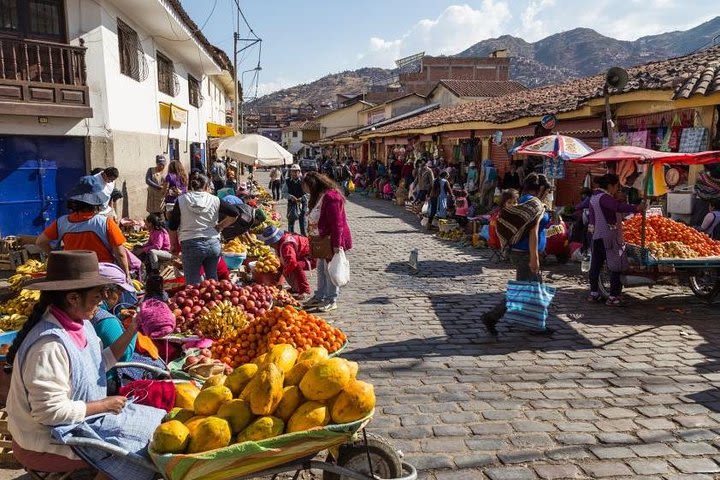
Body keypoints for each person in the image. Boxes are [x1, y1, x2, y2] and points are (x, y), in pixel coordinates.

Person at [5, 251, 165, 480]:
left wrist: (133, 328)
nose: (102, 299)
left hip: (77, 424)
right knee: (140, 452)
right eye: (97, 293)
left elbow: (100, 363)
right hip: (45, 440)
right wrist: (103, 405)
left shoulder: (81, 324)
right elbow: (49, 412)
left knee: (156, 426)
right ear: (72, 298)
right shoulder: (48, 345)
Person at [481, 173, 554, 337]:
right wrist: (534, 258)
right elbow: (533, 233)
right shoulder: (534, 203)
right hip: (525, 254)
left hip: (522, 252)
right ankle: (491, 317)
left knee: (536, 290)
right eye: (547, 191)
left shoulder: (522, 201)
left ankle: (537, 325)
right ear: (541, 188)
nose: (547, 194)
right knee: (522, 291)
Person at [37, 176, 130, 280]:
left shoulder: (61, 223)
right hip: (101, 275)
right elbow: (120, 254)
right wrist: (127, 275)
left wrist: (57, 257)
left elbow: (40, 242)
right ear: (97, 202)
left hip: (73, 274)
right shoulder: (106, 223)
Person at [167, 173, 238, 285]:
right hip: (212, 244)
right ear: (206, 186)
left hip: (190, 245)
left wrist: (174, 245)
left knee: (193, 285)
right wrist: (221, 226)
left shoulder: (181, 200)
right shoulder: (215, 199)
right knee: (212, 282)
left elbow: (172, 226)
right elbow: (235, 213)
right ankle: (214, 301)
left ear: (191, 186)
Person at [587, 174, 645, 306]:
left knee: (595, 265)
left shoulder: (594, 197)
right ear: (611, 186)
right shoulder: (604, 197)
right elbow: (617, 207)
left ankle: (594, 293)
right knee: (615, 265)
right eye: (617, 187)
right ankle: (613, 296)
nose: (617, 190)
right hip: (609, 237)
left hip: (596, 236)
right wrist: (636, 208)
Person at [302, 172, 352, 312]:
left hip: (331, 240)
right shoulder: (320, 196)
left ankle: (331, 299)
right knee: (320, 269)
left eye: (306, 186)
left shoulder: (331, 197)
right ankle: (320, 296)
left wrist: (337, 245)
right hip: (322, 240)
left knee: (329, 270)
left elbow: (337, 224)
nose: (305, 189)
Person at [259, 226, 315, 299]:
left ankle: (305, 290)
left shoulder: (286, 246)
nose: (271, 246)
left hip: (313, 256)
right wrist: (279, 273)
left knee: (297, 266)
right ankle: (296, 289)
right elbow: (284, 261)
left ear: (275, 241)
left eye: (271, 244)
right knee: (287, 267)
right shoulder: (280, 244)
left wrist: (284, 272)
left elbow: (292, 263)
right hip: (301, 256)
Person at [286, 164, 307, 235]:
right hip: (291, 204)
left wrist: (302, 198)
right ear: (290, 172)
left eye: (296, 172)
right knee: (291, 222)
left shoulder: (304, 181)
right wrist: (290, 197)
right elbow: (283, 192)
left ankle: (304, 238)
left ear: (299, 172)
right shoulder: (287, 181)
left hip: (303, 204)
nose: (294, 173)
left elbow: (309, 193)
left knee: (303, 222)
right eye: (292, 171)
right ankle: (291, 238)